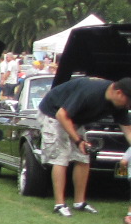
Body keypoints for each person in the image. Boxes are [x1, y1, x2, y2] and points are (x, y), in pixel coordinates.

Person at [35, 75, 131, 216]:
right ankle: (59, 204)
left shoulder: (119, 104)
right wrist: (78, 140)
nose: (129, 106)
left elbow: (128, 130)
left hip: (74, 118)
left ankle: (79, 202)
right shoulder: (90, 92)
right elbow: (61, 115)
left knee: (83, 156)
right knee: (61, 156)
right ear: (118, 92)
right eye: (129, 101)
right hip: (53, 113)